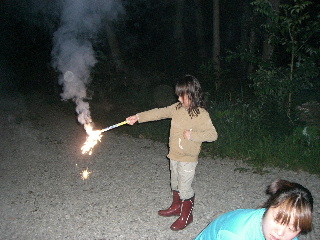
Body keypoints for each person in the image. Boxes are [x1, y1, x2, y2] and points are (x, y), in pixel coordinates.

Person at [126, 74, 218, 231]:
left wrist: (193, 135)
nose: (180, 100)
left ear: (193, 94)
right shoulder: (176, 109)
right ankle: (176, 207)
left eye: (183, 96)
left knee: (184, 187)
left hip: (188, 159)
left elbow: (213, 135)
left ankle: (187, 216)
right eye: (179, 96)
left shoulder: (201, 114)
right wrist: (138, 117)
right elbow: (159, 112)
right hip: (174, 155)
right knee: (175, 183)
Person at [195, 179, 314, 240]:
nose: (281, 233)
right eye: (278, 220)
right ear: (268, 205)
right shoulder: (236, 235)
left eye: (292, 228)